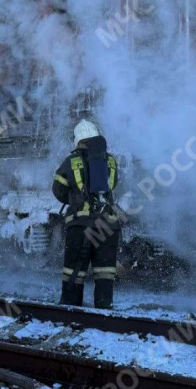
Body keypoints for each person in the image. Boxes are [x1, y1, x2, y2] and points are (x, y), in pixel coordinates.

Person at [52, 120, 121, 309]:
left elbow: (58, 190)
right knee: (105, 272)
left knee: (74, 271)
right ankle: (103, 309)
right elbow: (112, 185)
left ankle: (72, 309)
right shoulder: (111, 161)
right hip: (107, 224)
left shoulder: (71, 161)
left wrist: (75, 199)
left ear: (78, 140)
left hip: (80, 226)